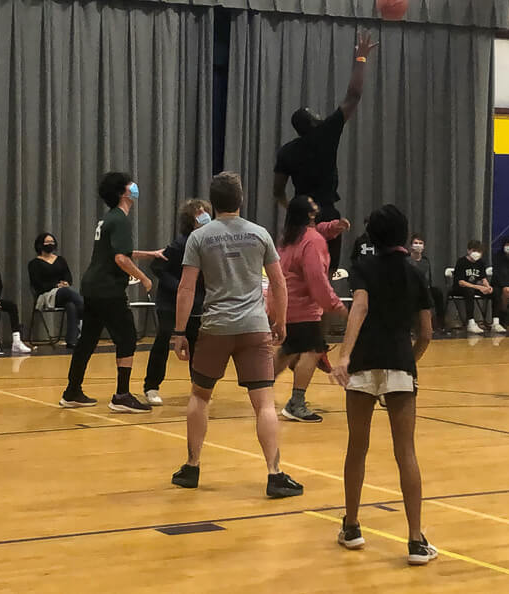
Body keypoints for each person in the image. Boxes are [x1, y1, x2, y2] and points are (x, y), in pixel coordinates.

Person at [170, 171, 303, 499]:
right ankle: (274, 473)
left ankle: (192, 466)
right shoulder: (259, 234)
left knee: (200, 396)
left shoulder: (199, 238)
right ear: (240, 199)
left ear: (212, 203)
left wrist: (178, 332)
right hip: (255, 327)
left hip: (215, 327)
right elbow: (279, 281)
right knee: (264, 404)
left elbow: (186, 288)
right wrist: (281, 320)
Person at [330, 204, 437, 565]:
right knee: (405, 452)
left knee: (356, 448)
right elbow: (426, 333)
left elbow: (359, 307)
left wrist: (344, 355)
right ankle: (415, 540)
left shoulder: (363, 268)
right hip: (400, 368)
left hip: (362, 366)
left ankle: (352, 526)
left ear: (371, 236)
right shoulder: (416, 274)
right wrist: (410, 360)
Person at [59, 172, 166, 413]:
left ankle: (71, 391)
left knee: (88, 339)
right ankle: (122, 395)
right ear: (123, 192)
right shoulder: (120, 220)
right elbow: (120, 258)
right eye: (130, 184)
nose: (134, 186)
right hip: (108, 289)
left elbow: (118, 251)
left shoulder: (109, 219)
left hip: (93, 286)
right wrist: (144, 278)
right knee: (127, 338)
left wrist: (149, 254)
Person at [273, 32, 379, 272]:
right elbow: (354, 95)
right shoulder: (326, 134)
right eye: (315, 115)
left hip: (300, 216)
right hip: (326, 212)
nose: (320, 117)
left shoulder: (287, 152)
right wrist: (360, 59)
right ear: (312, 122)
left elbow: (278, 190)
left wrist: (292, 206)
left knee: (295, 271)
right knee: (326, 275)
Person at [273, 195, 351, 423]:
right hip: (303, 308)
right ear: (309, 214)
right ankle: (296, 403)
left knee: (288, 350)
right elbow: (316, 279)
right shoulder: (312, 241)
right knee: (314, 349)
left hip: (286, 306)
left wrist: (334, 228)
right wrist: (336, 306)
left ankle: (259, 389)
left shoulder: (290, 238)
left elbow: (317, 231)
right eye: (313, 205)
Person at [143, 198, 211, 406]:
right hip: (170, 300)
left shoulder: (210, 242)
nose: (204, 216)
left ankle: (197, 386)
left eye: (206, 212)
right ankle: (151, 387)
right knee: (163, 337)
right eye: (199, 213)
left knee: (195, 341)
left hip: (194, 301)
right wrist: (180, 287)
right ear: (190, 219)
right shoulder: (180, 243)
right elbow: (157, 267)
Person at [27, 232, 84, 348]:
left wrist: (66, 283)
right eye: (47, 242)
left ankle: (72, 340)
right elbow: (37, 284)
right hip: (46, 295)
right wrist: (56, 286)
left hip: (63, 294)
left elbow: (68, 277)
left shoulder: (60, 260)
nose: (50, 244)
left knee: (71, 305)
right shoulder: (34, 263)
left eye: (52, 242)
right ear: (40, 244)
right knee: (67, 292)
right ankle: (87, 310)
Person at [450, 240, 492, 334]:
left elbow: (483, 278)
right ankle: (471, 322)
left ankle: (496, 321)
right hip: (460, 288)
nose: (476, 253)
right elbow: (461, 282)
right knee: (469, 291)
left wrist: (488, 287)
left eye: (479, 251)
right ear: (468, 251)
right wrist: (479, 287)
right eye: (474, 250)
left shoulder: (480, 263)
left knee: (494, 292)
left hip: (474, 288)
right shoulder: (461, 262)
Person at [408, 234, 446, 332]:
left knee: (437, 292)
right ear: (411, 246)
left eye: (420, 243)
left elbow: (428, 278)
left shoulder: (425, 261)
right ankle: (411, 326)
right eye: (415, 243)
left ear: (424, 246)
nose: (418, 245)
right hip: (410, 289)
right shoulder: (406, 260)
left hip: (425, 288)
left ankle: (440, 324)